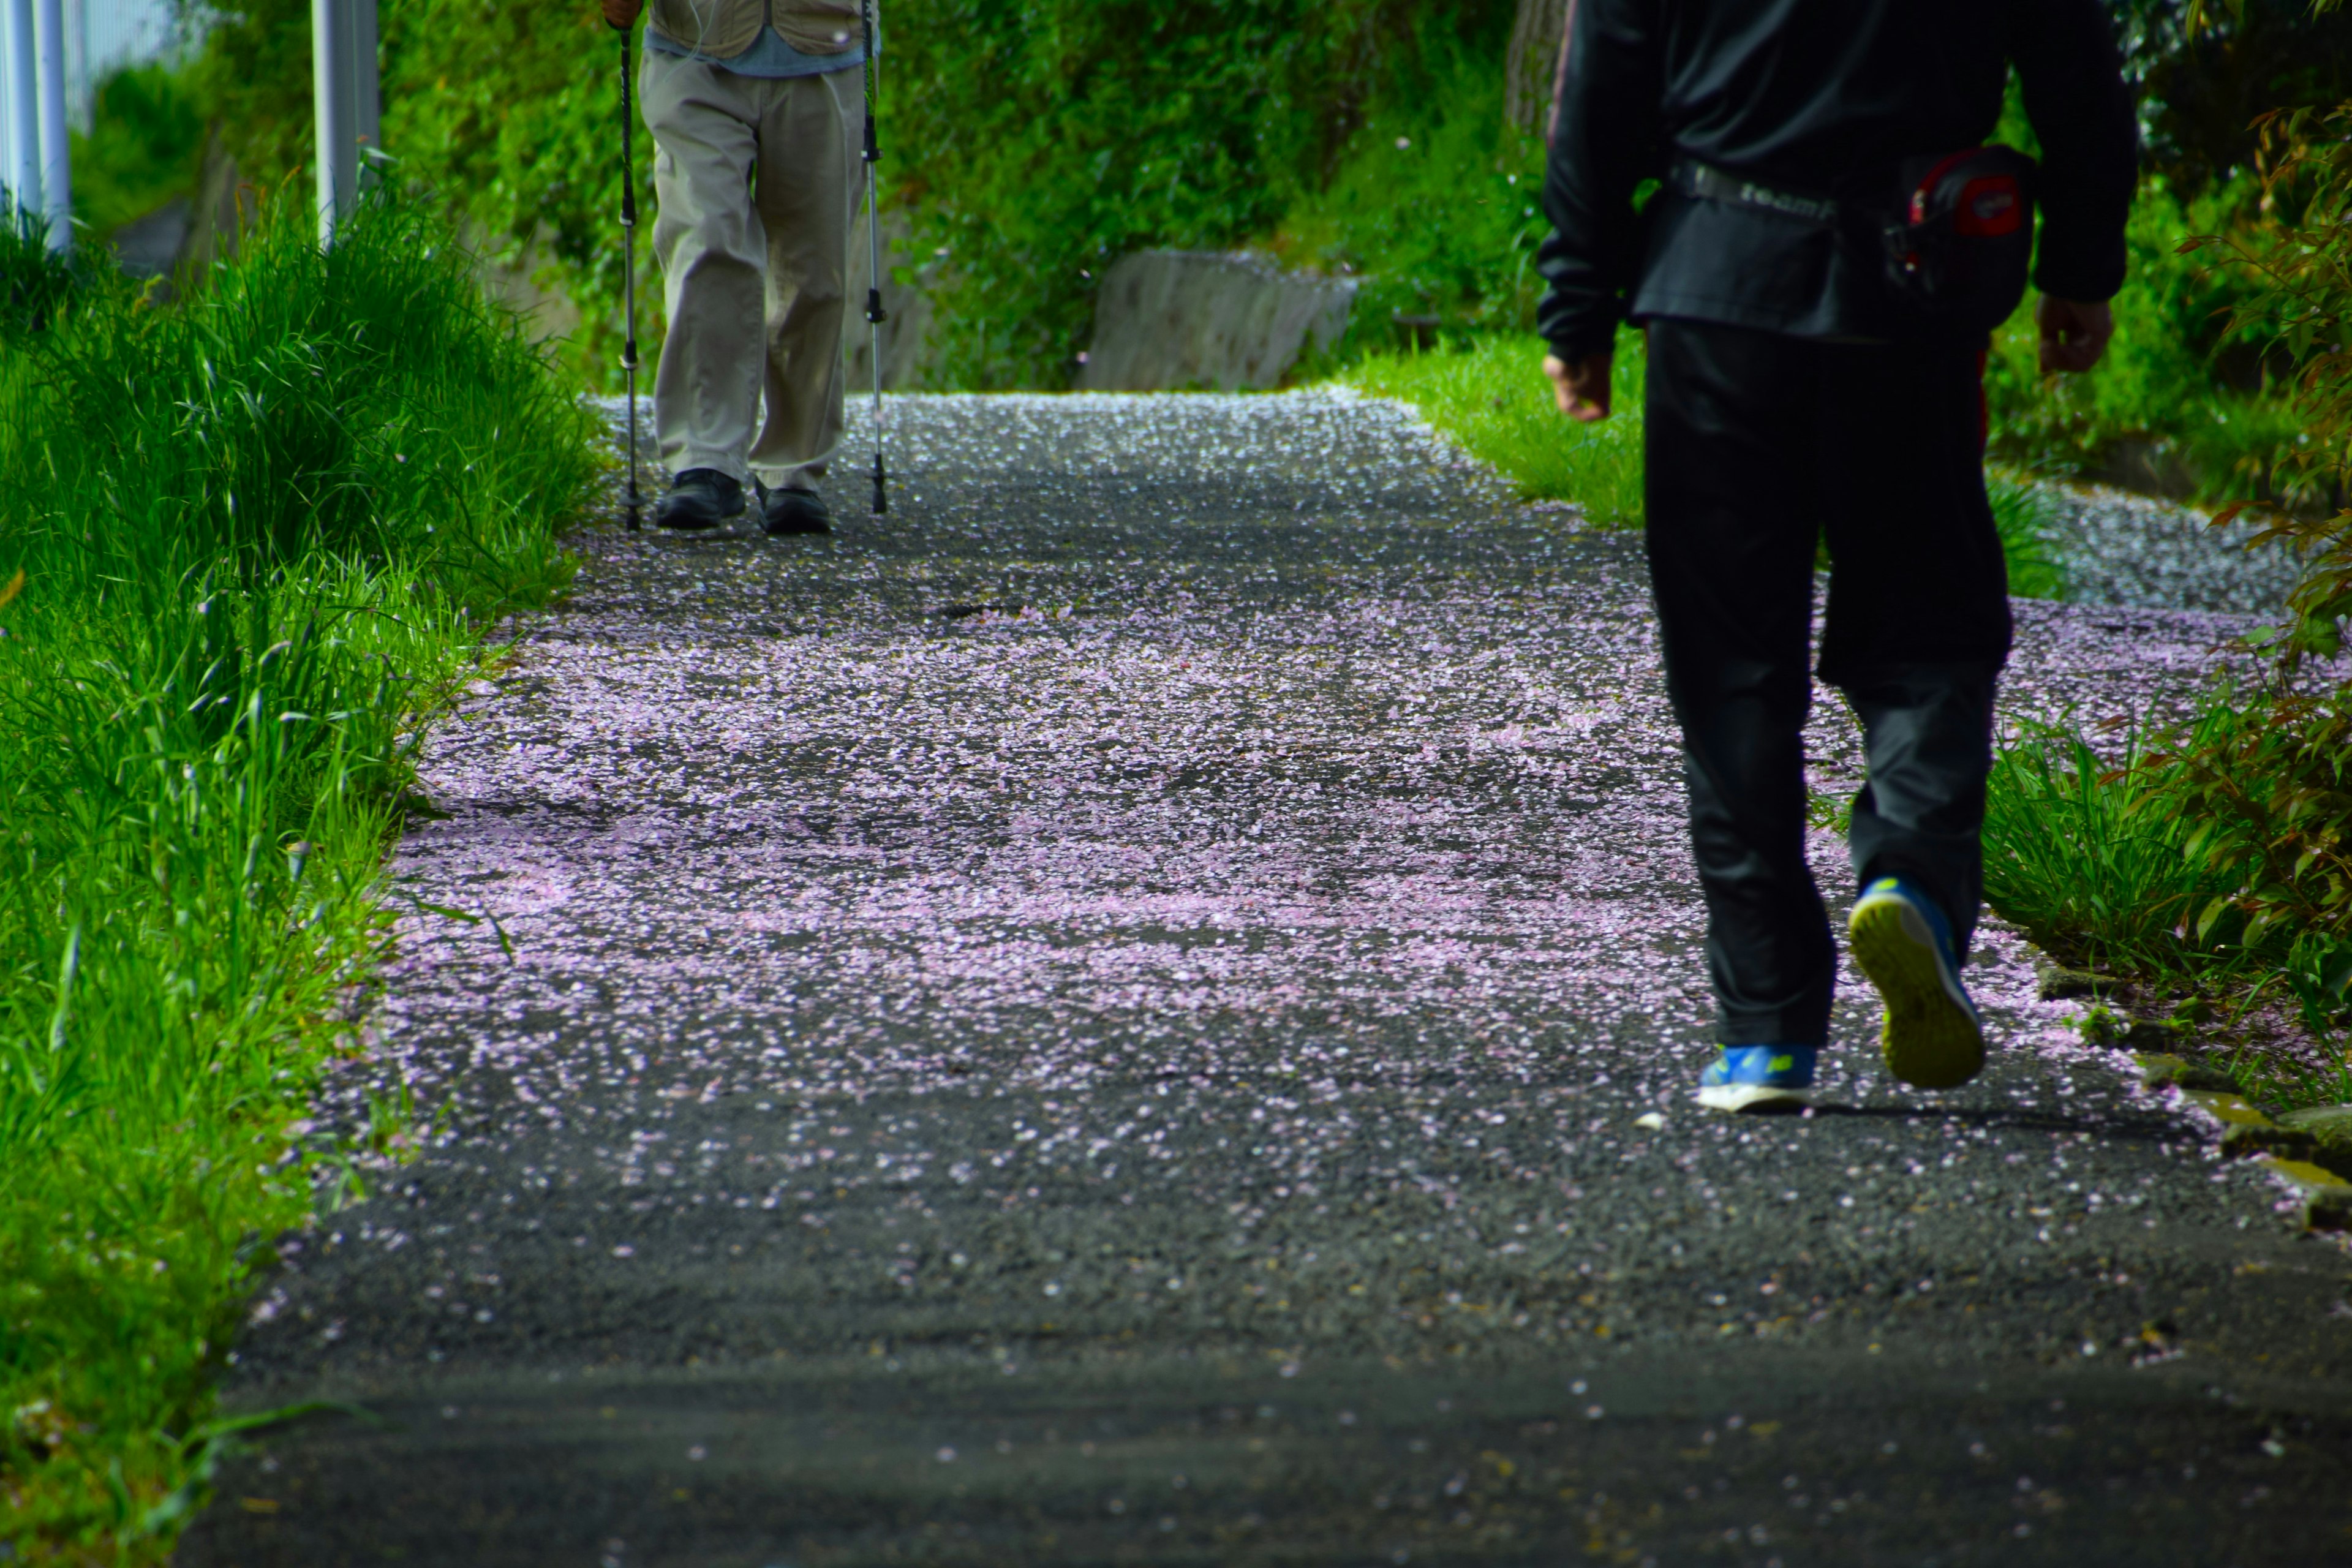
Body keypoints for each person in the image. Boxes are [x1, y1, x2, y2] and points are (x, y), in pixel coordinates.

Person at [1534, 1, 2136, 1112]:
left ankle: (1765, 1033)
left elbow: (1600, 98)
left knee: (1730, 670)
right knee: (1930, 625)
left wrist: (1576, 305)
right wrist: (2082, 265)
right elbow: (2077, 74)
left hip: (1717, 291)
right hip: (1914, 284)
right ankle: (1908, 869)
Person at [598, 0, 873, 535]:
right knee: (709, 239)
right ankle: (705, 461)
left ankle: (794, 468)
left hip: (824, 42)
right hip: (694, 46)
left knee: (812, 270)